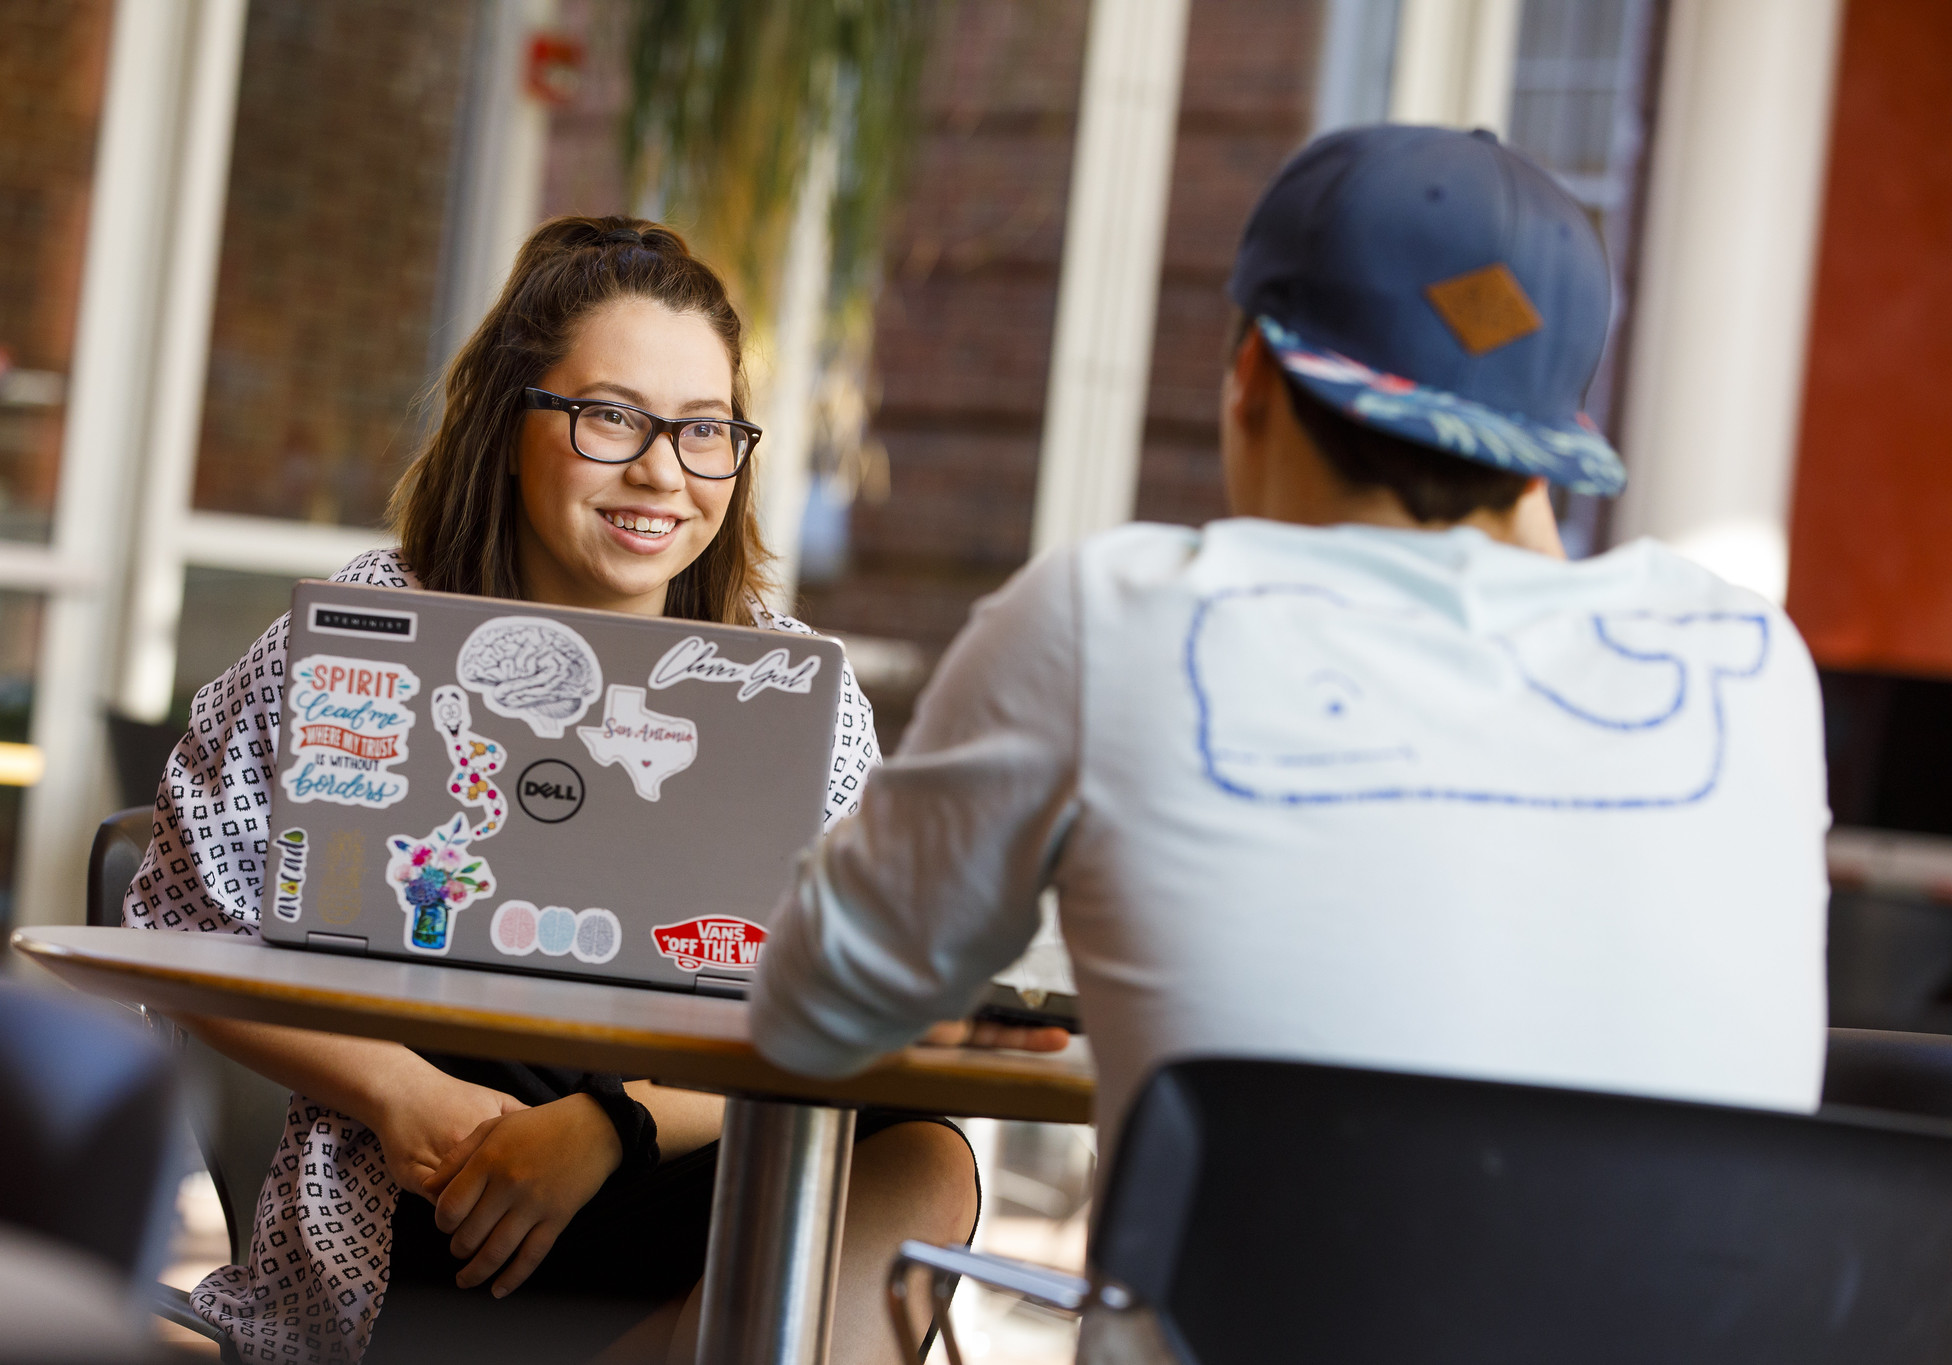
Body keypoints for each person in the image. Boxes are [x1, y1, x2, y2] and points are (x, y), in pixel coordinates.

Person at [750, 121, 1830, 1281]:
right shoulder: (1748, 662)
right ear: (1553, 447)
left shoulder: (1108, 616)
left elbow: (808, 1016)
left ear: (1251, 373)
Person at [124, 217, 980, 1365]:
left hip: (674, 1155)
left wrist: (612, 1129)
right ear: (509, 421)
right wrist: (400, 1096)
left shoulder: (790, 690)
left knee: (921, 1158)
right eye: (611, 416)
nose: (662, 473)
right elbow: (179, 924)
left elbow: (864, 1003)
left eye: (704, 432)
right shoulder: (367, 634)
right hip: (438, 1181)